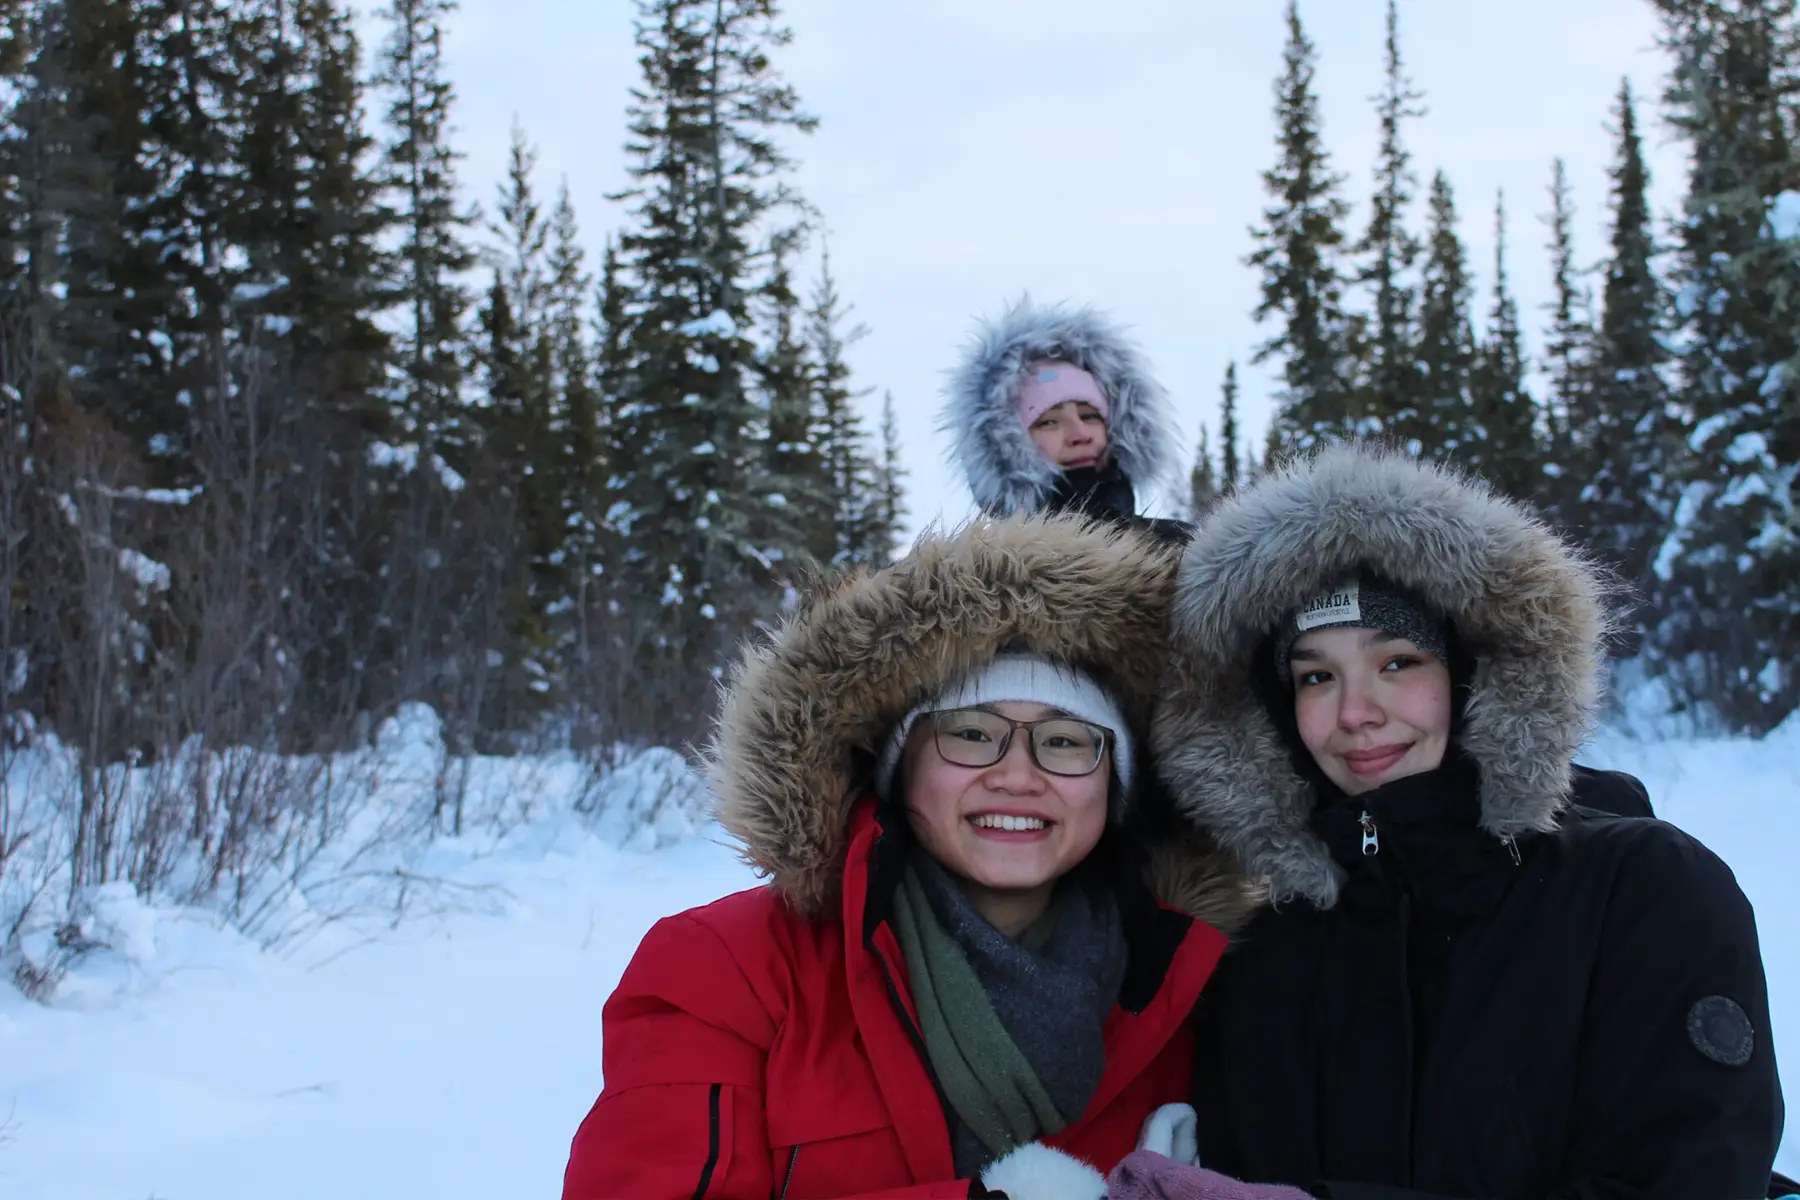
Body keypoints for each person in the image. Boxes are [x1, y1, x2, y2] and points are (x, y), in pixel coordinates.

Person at [1120, 444, 1785, 1199]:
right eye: (1316, 676)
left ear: (1473, 674)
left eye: (1398, 662)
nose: (1356, 714)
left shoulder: (1645, 893)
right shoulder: (1267, 949)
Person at [560, 516, 1256, 1200]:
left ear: (1116, 784)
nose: (1018, 775)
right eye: (973, 734)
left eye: (1068, 742)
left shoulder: (1186, 986)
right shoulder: (729, 970)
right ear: (900, 769)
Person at [942, 297, 1189, 542]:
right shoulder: (981, 573)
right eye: (1048, 422)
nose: (1080, 434)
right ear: (1004, 449)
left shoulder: (1186, 552)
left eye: (1090, 416)